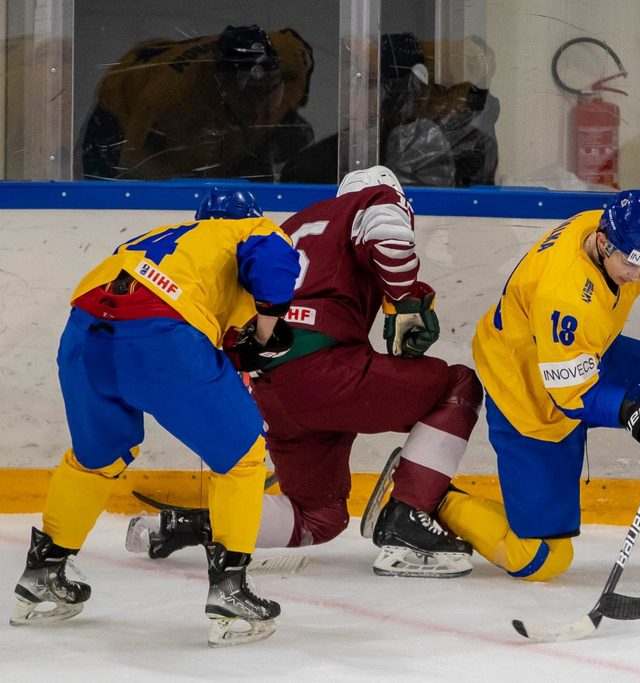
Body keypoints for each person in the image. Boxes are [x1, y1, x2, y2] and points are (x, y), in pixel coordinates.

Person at [127, 165, 482, 579]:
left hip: (272, 388)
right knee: (459, 384)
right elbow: (390, 235)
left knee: (319, 516)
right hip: (327, 372)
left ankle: (186, 526)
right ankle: (408, 517)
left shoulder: (287, 226)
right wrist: (405, 300)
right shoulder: (368, 202)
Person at [10, 188, 300, 647]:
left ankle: (43, 573)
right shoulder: (250, 229)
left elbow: (186, 309)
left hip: (84, 335)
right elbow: (273, 264)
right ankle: (231, 592)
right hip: (162, 339)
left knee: (97, 457)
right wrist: (266, 333)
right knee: (243, 456)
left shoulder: (164, 238)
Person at [433, 188, 640, 582]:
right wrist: (634, 416)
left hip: (584, 351)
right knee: (539, 558)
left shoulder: (622, 235)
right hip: (526, 385)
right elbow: (573, 395)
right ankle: (435, 498)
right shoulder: (566, 296)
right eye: (634, 266)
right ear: (603, 243)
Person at [80, 25, 314, 181]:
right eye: (246, 98)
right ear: (221, 87)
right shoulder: (172, 108)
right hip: (121, 105)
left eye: (268, 93)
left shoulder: (290, 60)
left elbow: (296, 44)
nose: (257, 109)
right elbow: (134, 181)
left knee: (290, 137)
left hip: (173, 66)